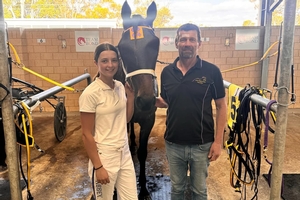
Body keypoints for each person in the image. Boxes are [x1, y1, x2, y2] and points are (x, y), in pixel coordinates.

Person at [156, 23, 227, 199]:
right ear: (176, 43)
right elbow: (167, 101)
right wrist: (149, 100)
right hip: (173, 144)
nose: (187, 43)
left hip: (202, 145)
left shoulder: (212, 71)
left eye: (192, 39)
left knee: (199, 191)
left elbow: (221, 106)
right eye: (183, 39)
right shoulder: (166, 73)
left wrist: (218, 142)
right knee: (177, 190)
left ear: (199, 44)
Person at [79, 42, 138, 200]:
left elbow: (125, 119)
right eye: (104, 61)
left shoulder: (119, 86)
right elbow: (86, 134)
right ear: (96, 63)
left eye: (114, 60)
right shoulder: (90, 94)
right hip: (104, 157)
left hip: (124, 153)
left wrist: (130, 98)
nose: (110, 65)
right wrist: (98, 167)